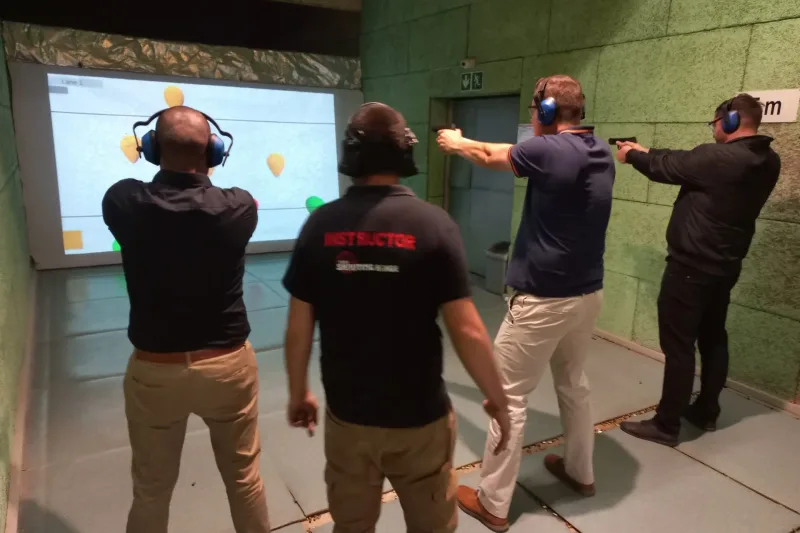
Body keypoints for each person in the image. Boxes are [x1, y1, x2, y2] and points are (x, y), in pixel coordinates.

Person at [281, 102, 511, 533]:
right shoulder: (433, 224)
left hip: (349, 418)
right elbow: (466, 328)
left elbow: (299, 326)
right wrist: (497, 396)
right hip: (419, 419)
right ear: (405, 152)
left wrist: (299, 392)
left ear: (350, 155)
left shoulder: (319, 226)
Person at [436, 74, 615, 531]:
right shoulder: (599, 152)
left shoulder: (549, 150)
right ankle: (581, 472)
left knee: (507, 397)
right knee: (574, 384)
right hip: (587, 293)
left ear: (549, 112)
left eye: (536, 112)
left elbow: (488, 153)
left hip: (543, 300)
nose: (533, 120)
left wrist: (456, 141)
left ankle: (493, 502)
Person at [102, 106, 269, 533]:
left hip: (156, 372)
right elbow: (243, 200)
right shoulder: (239, 206)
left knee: (151, 490)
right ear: (213, 152)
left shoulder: (122, 200)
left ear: (152, 149)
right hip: (228, 367)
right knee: (244, 481)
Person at [616, 94, 781, 446]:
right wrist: (646, 149)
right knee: (713, 336)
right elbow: (682, 161)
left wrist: (631, 155)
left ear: (730, 121)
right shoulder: (768, 160)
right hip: (725, 265)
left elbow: (668, 168)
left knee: (678, 345)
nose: (715, 128)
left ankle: (666, 424)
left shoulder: (715, 157)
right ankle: (706, 410)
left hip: (690, 266)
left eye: (716, 121)